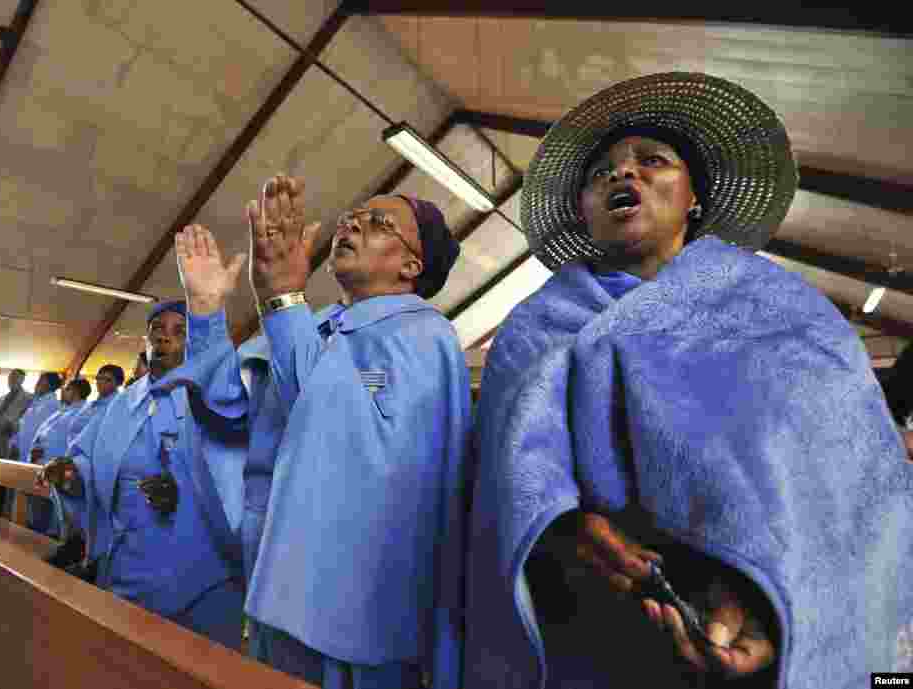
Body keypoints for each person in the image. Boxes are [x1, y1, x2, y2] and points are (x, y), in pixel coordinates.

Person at [464, 72, 913, 688]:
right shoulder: (534, 328)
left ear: (694, 195)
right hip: (596, 626)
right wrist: (566, 528)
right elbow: (507, 467)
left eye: (653, 161)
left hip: (759, 609)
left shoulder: (781, 305)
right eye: (603, 173)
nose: (625, 175)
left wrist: (766, 589)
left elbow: (848, 461)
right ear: (585, 211)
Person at [175, 172, 471, 688]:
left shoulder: (423, 335)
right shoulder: (317, 326)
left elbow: (338, 432)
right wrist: (205, 314)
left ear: (411, 265)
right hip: (275, 582)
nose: (354, 221)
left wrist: (283, 298)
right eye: (355, 214)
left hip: (348, 609)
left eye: (380, 222)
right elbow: (228, 409)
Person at [39, 299, 249, 649]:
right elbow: (90, 462)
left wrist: (182, 492)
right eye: (157, 331)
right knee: (126, 662)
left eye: (179, 332)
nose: (165, 339)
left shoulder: (215, 401)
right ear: (145, 341)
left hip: (199, 571)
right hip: (127, 560)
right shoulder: (124, 403)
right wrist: (70, 474)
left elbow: (236, 471)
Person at [26, 378, 91, 535]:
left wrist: (45, 452)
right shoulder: (63, 410)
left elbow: (67, 442)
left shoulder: (83, 413)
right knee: (37, 511)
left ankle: (51, 537)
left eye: (66, 389)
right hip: (41, 464)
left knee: (54, 514)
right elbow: (44, 433)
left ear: (74, 391)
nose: (63, 392)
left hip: (55, 468)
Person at [10, 372, 63, 463]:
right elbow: (23, 424)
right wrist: (14, 443)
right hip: (20, 450)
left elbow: (42, 434)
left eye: (40, 381)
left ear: (49, 385)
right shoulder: (36, 401)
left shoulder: (53, 406)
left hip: (32, 455)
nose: (36, 384)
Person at [0, 369, 32, 458]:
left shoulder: (28, 398)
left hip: (9, 440)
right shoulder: (1, 398)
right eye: (10, 377)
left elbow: (28, 419)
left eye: (15, 377)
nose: (11, 379)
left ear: (22, 380)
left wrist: (14, 425)